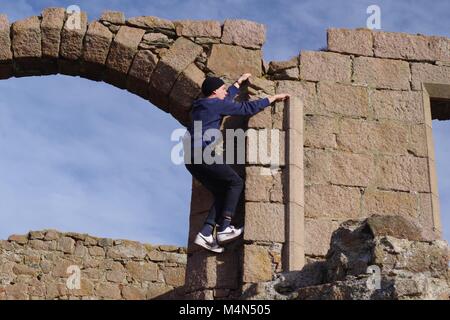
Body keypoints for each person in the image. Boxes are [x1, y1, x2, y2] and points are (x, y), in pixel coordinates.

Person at [184, 73, 290, 253]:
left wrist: (238, 83)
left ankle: (206, 232)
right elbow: (245, 108)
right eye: (223, 89)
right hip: (202, 153)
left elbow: (225, 99)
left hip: (190, 159)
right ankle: (225, 227)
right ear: (215, 91)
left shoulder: (200, 107)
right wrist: (271, 98)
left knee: (221, 190)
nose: (226, 92)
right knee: (236, 182)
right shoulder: (216, 104)